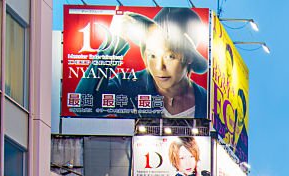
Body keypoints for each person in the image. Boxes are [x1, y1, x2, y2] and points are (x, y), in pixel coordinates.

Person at [75, 8, 208, 118]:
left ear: (189, 57)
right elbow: (82, 106)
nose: (159, 66)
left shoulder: (206, 101)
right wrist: (112, 45)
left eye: (170, 56)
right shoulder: (129, 86)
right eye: (152, 55)